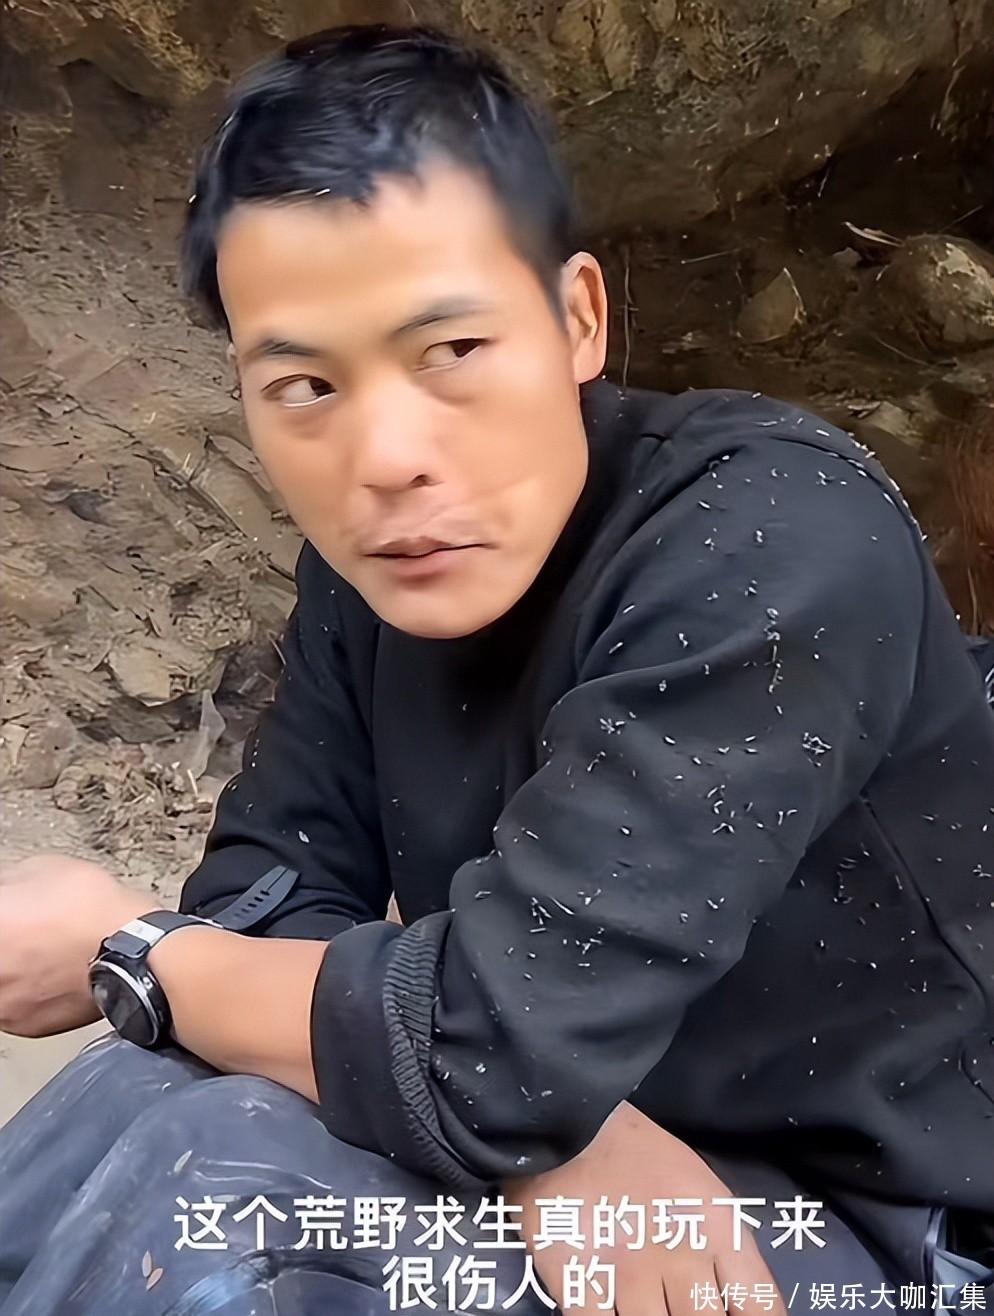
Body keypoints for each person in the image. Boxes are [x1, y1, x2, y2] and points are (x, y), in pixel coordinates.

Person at [0, 23, 990, 1316]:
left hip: (894, 1228)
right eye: (303, 385)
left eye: (451, 352)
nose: (385, 457)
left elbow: (450, 1045)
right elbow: (269, 900)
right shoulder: (375, 579)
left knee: (227, 1200)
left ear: (577, 320)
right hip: (594, 1127)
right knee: (145, 1096)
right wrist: (548, 1127)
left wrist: (132, 949)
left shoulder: (771, 540)